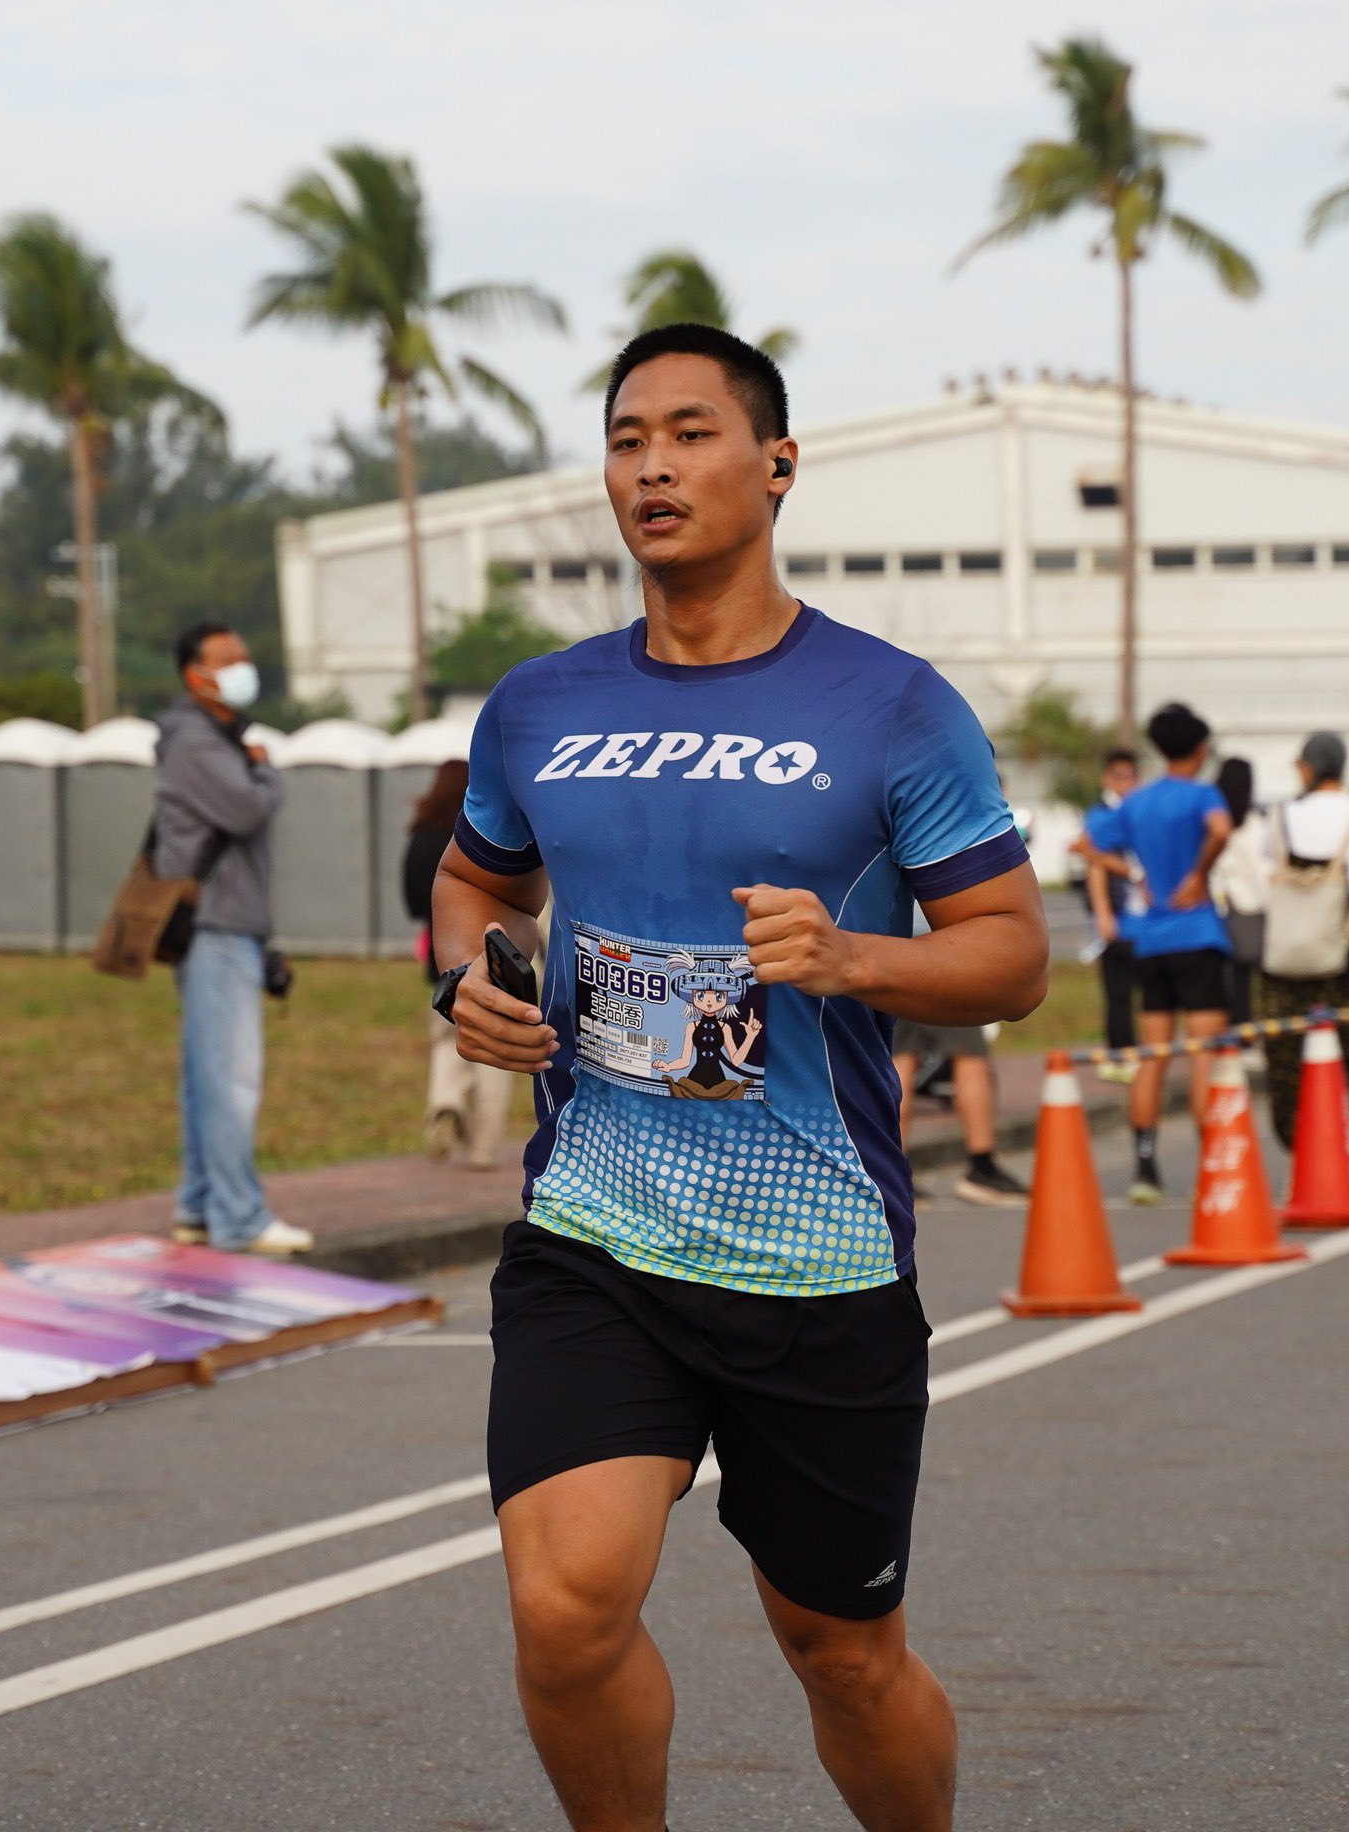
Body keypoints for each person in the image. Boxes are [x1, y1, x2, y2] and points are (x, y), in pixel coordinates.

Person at [435, 324, 1048, 1832]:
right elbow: (475, 883)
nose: (652, 465)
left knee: (841, 1655)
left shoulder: (891, 706)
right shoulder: (540, 705)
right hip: (598, 1234)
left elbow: (1013, 955)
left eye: (691, 433)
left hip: (815, 1257)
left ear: (777, 465)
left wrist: (852, 958)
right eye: (627, 438)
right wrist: (467, 982)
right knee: (565, 1607)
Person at [156, 621, 310, 1257]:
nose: (244, 668)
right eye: (229, 660)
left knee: (207, 1076)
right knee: (230, 1079)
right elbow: (247, 808)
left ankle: (198, 1206)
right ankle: (239, 1217)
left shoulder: (211, 738)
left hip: (226, 923)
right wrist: (266, 771)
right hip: (216, 926)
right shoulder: (194, 741)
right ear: (196, 676)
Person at [1093, 702, 1234, 1202]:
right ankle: (1211, 1163)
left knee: (1153, 1055)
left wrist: (1134, 873)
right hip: (1197, 933)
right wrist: (1199, 874)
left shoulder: (1137, 801)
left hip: (1150, 938)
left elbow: (1086, 845)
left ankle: (1145, 1168)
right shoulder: (1203, 794)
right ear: (1201, 749)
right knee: (1203, 1053)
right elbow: (1221, 829)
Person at [1259, 732, 1349, 1145]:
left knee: (1286, 1052)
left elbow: (1271, 864)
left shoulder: (1280, 816)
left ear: (1309, 767)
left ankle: (1295, 1139)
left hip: (1290, 945)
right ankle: (1344, 1145)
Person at [403, 757, 514, 1167]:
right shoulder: (488, 832)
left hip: (442, 957)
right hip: (494, 954)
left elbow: (412, 901)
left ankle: (445, 1102)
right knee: (493, 1046)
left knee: (447, 1037)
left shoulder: (421, 835)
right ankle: (484, 1147)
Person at [891, 917, 1029, 1209]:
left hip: (890, 944)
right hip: (942, 946)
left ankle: (893, 1172)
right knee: (969, 1055)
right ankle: (982, 1167)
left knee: (899, 1058)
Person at [1078, 747, 1142, 1083]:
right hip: (1118, 912)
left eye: (1130, 776)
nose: (1124, 782)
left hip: (1146, 915)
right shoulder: (1101, 815)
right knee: (1118, 991)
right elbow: (1093, 861)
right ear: (1106, 778)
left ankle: (1140, 1053)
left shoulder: (1140, 810)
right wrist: (1103, 913)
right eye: (1118, 775)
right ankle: (1121, 1053)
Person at [1209, 755, 1267, 1027]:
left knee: (1222, 978)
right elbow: (1260, 870)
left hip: (1214, 906)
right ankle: (1245, 1027)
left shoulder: (1211, 820)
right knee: (1246, 974)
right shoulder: (1254, 823)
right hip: (1248, 906)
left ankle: (1228, 1029)